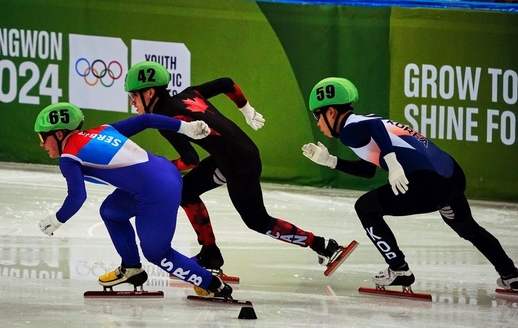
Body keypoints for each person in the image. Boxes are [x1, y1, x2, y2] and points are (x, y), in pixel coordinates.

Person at [123, 61, 355, 274]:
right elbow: (226, 83)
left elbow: (191, 160)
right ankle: (210, 254)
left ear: (150, 93)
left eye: (134, 95)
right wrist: (246, 108)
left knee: (258, 221)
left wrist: (157, 165)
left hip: (238, 164)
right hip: (235, 155)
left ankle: (325, 246)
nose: (132, 101)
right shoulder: (189, 94)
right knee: (186, 192)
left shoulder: (165, 119)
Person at [302, 77, 518, 292]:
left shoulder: (351, 130)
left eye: (317, 116)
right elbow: (368, 170)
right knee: (469, 229)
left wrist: (392, 162)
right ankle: (512, 275)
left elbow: (375, 128)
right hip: (451, 175)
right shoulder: (360, 123)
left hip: (430, 183)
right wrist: (331, 161)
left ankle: (399, 269)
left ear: (331, 112)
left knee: (365, 207)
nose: (318, 124)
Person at [34, 101, 232, 299]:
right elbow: (145, 120)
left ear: (59, 134)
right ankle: (131, 268)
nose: (41, 144)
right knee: (111, 212)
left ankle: (212, 284)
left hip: (157, 191)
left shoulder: (69, 157)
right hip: (165, 173)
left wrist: (56, 220)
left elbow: (77, 196)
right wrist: (186, 128)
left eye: (43, 137)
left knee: (157, 253)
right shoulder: (103, 130)